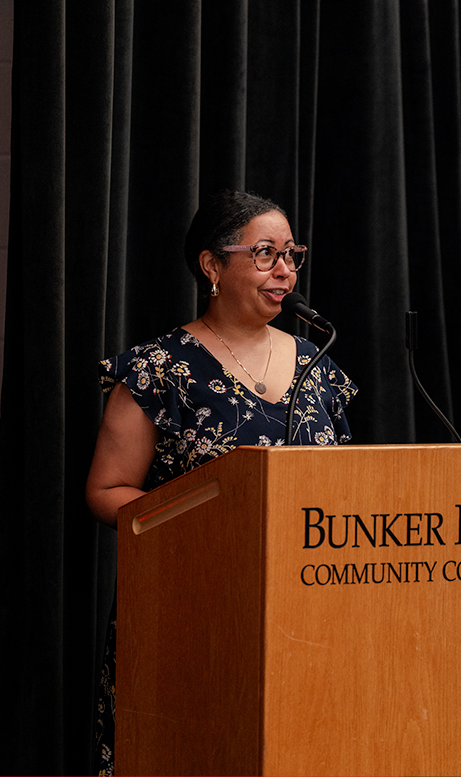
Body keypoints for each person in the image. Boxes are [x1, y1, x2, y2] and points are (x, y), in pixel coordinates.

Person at [84, 189, 357, 775]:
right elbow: (106, 491)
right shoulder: (159, 369)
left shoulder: (318, 366)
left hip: (307, 618)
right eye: (264, 254)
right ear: (212, 265)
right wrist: (205, 519)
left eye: (291, 254)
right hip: (190, 613)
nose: (284, 269)